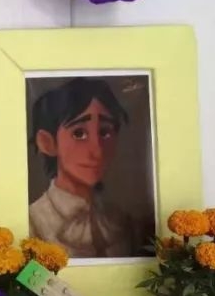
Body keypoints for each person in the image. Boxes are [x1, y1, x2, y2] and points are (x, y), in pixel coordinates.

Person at [28, 77, 137, 258]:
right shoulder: (32, 222)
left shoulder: (122, 223)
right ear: (47, 143)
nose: (97, 150)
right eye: (79, 133)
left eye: (105, 132)